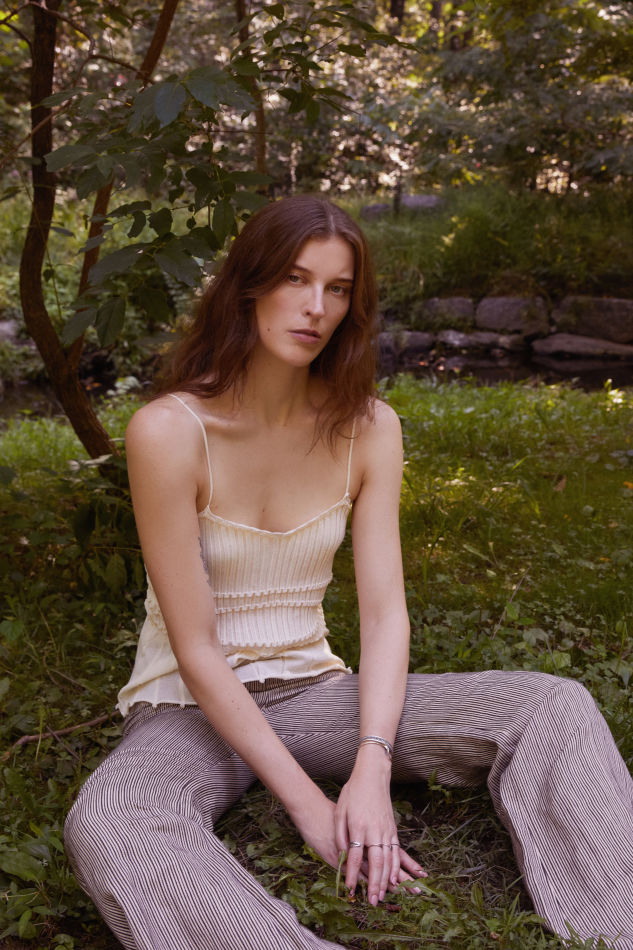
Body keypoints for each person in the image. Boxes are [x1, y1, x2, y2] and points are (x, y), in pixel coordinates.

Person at [65, 195, 633, 950]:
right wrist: (308, 806)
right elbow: (196, 648)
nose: (316, 307)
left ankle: (618, 924)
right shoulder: (169, 431)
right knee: (112, 815)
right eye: (296, 279)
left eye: (337, 289)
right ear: (248, 285)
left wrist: (372, 762)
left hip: (315, 695)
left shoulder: (369, 427)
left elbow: (383, 612)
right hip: (187, 710)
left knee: (549, 705)